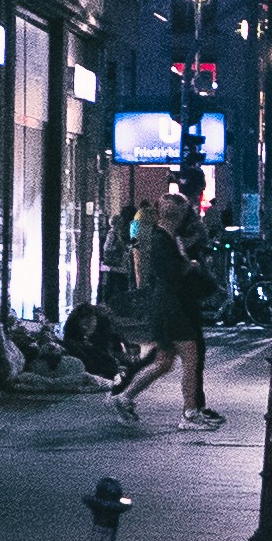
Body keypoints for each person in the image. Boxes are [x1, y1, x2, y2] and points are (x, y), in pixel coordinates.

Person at [114, 181, 219, 427]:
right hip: (171, 306)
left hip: (165, 305)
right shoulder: (163, 239)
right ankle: (190, 414)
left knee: (164, 361)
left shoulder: (166, 237)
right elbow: (167, 272)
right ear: (178, 214)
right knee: (190, 357)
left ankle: (125, 396)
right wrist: (189, 266)